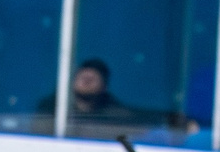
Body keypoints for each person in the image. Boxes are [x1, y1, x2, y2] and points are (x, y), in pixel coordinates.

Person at [36, 57, 169, 135]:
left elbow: (137, 123)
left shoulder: (114, 115)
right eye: (83, 78)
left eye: (92, 79)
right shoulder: (53, 110)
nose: (86, 82)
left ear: (104, 87)